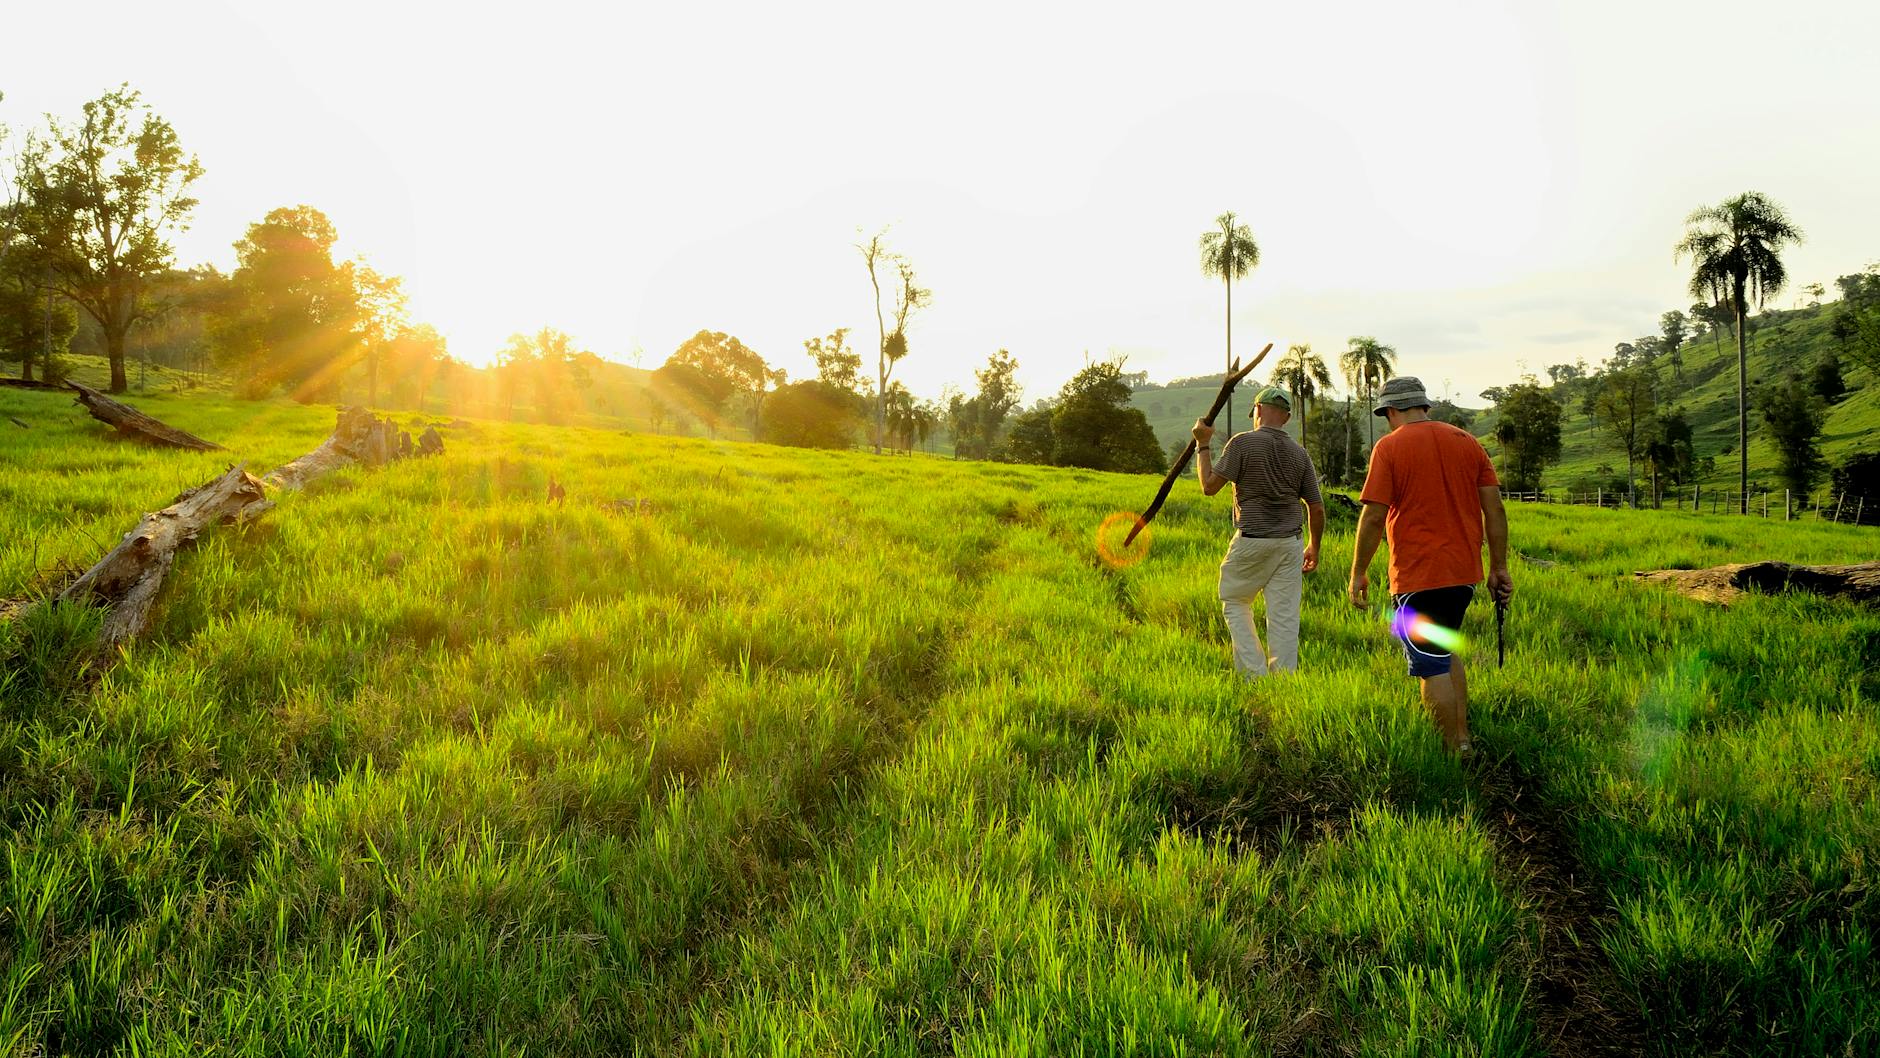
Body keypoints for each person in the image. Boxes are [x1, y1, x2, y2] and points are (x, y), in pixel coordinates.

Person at [1346, 375, 1513, 756]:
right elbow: (1495, 509)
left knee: (1429, 665)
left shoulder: (1389, 447)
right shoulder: (1467, 442)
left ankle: (1453, 750)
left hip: (1418, 574)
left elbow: (1373, 517)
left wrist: (1358, 572)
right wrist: (1498, 567)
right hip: (1464, 573)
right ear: (1423, 405)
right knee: (1444, 649)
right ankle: (1463, 734)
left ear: (1390, 410)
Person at [1191, 386, 1326, 679]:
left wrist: (1203, 444)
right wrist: (1314, 546)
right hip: (1290, 543)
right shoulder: (1300, 454)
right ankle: (1283, 682)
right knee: (1284, 617)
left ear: (1259, 410)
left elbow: (1209, 487)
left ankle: (1254, 675)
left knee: (1236, 601)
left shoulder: (1242, 444)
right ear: (1287, 418)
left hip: (1252, 539)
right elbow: (1316, 507)